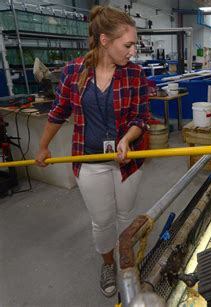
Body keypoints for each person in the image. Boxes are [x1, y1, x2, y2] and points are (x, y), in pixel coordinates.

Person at [35, 5, 150, 297]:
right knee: (102, 221)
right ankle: (108, 263)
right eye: (127, 45)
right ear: (104, 41)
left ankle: (127, 261)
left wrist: (127, 139)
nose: (132, 51)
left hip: (128, 161)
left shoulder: (135, 74)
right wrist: (44, 146)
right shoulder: (74, 72)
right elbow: (58, 111)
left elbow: (141, 117)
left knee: (126, 216)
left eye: (134, 44)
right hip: (89, 160)